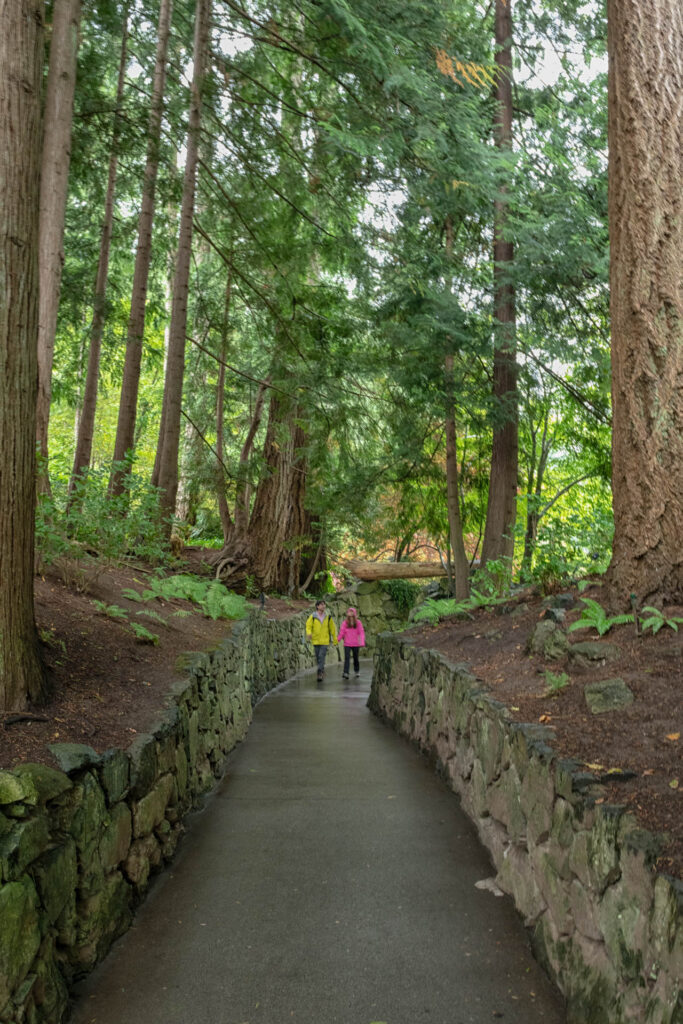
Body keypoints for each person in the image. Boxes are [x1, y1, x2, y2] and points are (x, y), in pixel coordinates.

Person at [305, 599, 338, 681]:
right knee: (318, 657)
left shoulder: (328, 617)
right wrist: (309, 633)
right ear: (317, 606)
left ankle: (319, 673)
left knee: (321, 656)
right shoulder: (312, 617)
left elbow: (332, 628)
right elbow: (308, 626)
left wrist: (334, 639)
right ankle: (322, 671)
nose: (323, 606)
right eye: (321, 604)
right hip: (315, 640)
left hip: (325, 641)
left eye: (324, 604)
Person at [338, 606, 365, 680]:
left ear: (354, 614)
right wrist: (337, 640)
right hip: (347, 644)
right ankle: (345, 672)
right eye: (349, 612)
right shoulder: (345, 623)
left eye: (351, 612)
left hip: (356, 644)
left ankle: (357, 670)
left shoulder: (358, 623)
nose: (350, 613)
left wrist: (362, 642)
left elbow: (361, 632)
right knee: (347, 658)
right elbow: (341, 632)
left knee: (356, 658)